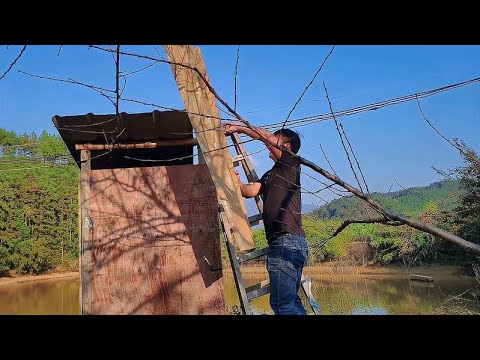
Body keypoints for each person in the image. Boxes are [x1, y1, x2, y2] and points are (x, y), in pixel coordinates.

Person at [224, 122, 308, 315]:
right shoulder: (272, 174)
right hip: (287, 243)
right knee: (290, 302)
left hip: (287, 242)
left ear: (286, 147)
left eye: (276, 139)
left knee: (283, 305)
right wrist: (236, 181)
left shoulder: (291, 162)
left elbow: (264, 137)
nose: (270, 142)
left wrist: (239, 128)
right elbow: (250, 191)